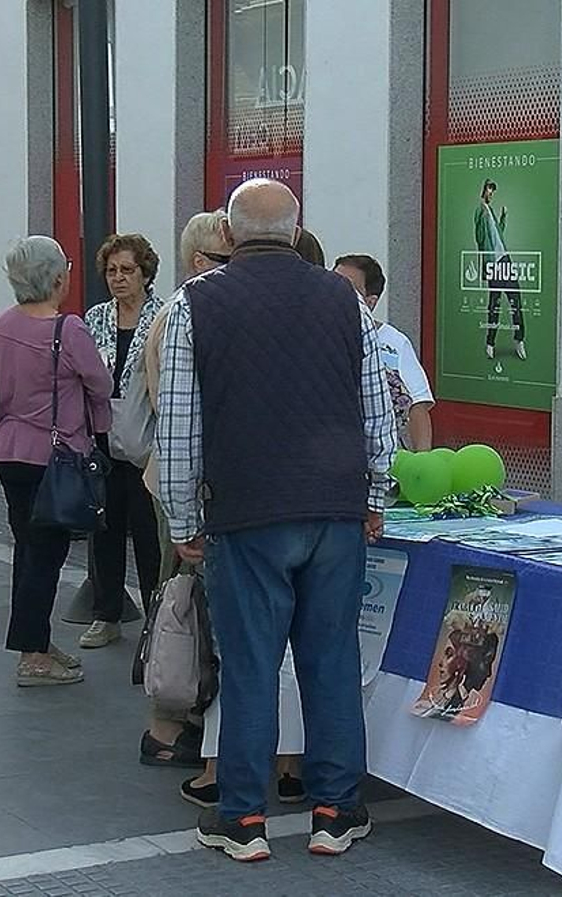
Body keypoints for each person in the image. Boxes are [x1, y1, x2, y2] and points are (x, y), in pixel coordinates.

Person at [158, 178, 395, 861]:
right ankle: (334, 809)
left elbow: (180, 427)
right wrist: (375, 494)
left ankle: (243, 820)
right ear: (297, 231)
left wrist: (182, 515)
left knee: (251, 666)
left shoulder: (195, 304)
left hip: (247, 510)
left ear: (228, 237)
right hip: (334, 510)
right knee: (331, 660)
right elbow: (376, 410)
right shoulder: (343, 300)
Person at [0, 235, 113, 688]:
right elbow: (99, 383)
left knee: (27, 549)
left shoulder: (1, 324)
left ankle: (34, 641)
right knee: (45, 555)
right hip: (55, 456)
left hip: (9, 450)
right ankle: (33, 657)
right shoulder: (69, 330)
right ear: (58, 278)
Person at [138, 211, 231, 769]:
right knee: (183, 606)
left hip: (184, 480)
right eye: (227, 259)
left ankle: (182, 717)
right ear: (202, 262)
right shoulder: (184, 312)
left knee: (187, 603)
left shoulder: (186, 309)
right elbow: (176, 418)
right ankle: (168, 724)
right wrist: (182, 513)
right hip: (184, 485)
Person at [77, 234, 163, 650]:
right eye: (111, 271)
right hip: (101, 436)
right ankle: (106, 613)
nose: (118, 278)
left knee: (149, 534)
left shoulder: (163, 317)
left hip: (148, 437)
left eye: (127, 270)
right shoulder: (95, 318)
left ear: (146, 273)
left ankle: (155, 617)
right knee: (104, 529)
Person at [334, 253, 434, 451]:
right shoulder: (316, 334)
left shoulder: (394, 341)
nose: (334, 292)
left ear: (370, 302)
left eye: (347, 288)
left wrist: (423, 461)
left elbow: (418, 405)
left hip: (380, 455)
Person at [475, 179, 526, 361]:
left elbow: (498, 235)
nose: (491, 194)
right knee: (494, 304)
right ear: (484, 190)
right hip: (493, 263)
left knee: (515, 299)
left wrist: (503, 217)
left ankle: (519, 339)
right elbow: (480, 239)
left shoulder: (490, 212)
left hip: (504, 259)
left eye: (493, 191)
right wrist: (486, 265)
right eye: (490, 190)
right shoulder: (480, 212)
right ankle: (490, 343)